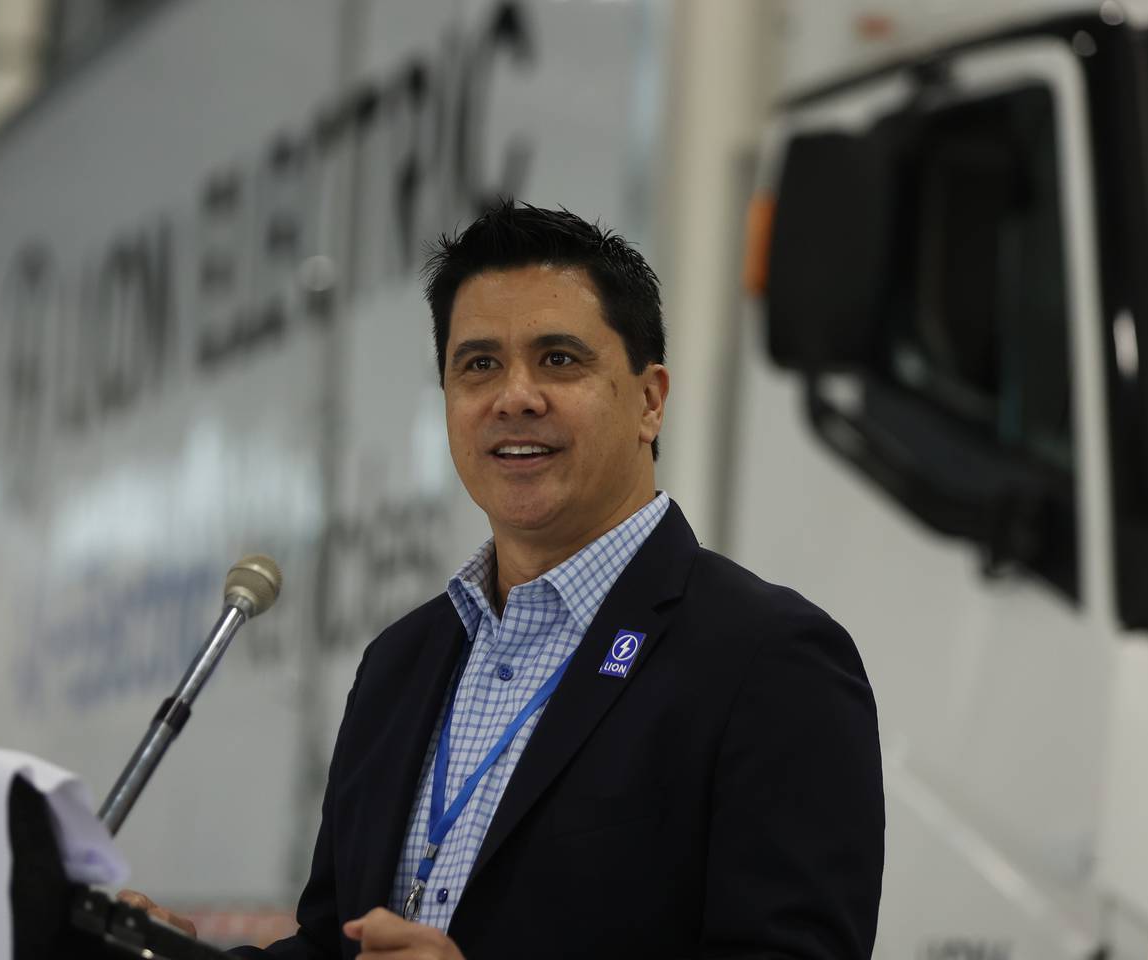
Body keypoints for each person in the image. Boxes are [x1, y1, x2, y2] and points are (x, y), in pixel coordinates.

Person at [123, 200, 884, 959]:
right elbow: (332, 945)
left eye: (559, 359)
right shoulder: (399, 663)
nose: (514, 396)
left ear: (650, 401)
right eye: (479, 364)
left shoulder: (769, 660)